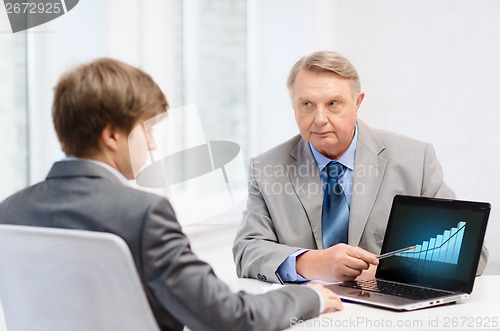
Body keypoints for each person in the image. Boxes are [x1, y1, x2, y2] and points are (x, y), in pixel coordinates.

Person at [0, 58, 343, 331]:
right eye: (146, 129)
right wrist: (305, 298)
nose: (151, 144)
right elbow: (228, 317)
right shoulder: (143, 213)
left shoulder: (10, 212)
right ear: (112, 137)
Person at [232, 51, 488, 284]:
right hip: (306, 311)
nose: (320, 119)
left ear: (357, 103)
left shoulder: (415, 160)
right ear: (293, 106)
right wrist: (309, 263)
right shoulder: (266, 168)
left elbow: (472, 254)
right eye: (307, 104)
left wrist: (389, 270)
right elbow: (247, 250)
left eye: (333, 103)